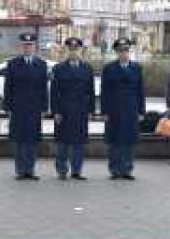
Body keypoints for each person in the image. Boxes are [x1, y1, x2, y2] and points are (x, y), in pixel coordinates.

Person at [3, 32, 49, 180]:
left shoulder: (41, 65)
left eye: (30, 46)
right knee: (19, 140)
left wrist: (44, 107)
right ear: (20, 47)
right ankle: (20, 170)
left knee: (32, 140)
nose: (27, 48)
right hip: (18, 107)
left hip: (35, 108)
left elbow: (44, 88)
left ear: (35, 47)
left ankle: (30, 169)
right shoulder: (13, 64)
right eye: (25, 46)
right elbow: (8, 87)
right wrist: (8, 107)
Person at [50, 37, 96, 180]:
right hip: (63, 110)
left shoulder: (87, 68)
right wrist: (55, 111)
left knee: (79, 142)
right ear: (66, 51)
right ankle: (62, 170)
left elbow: (91, 91)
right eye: (71, 49)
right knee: (62, 142)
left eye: (76, 49)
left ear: (80, 51)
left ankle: (77, 171)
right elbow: (54, 92)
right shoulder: (58, 68)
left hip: (81, 110)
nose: (73, 52)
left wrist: (91, 111)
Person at [101, 37, 145, 180]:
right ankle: (114, 169)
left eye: (126, 50)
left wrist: (141, 111)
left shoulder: (136, 68)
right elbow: (104, 91)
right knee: (114, 140)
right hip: (114, 109)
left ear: (129, 52)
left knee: (129, 140)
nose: (123, 54)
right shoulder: (109, 68)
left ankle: (127, 169)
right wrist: (104, 111)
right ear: (116, 52)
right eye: (120, 51)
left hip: (131, 108)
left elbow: (140, 91)